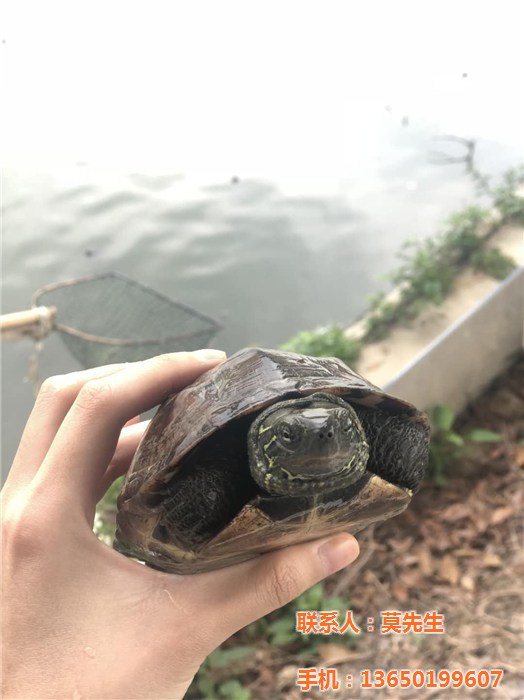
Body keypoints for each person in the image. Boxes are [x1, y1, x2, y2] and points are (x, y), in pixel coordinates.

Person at [2, 350, 359, 699]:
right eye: (289, 436)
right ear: (262, 443)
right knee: (199, 502)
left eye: (340, 429)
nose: (324, 439)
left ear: (356, 428)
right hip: (218, 484)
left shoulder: (368, 439)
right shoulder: (216, 477)